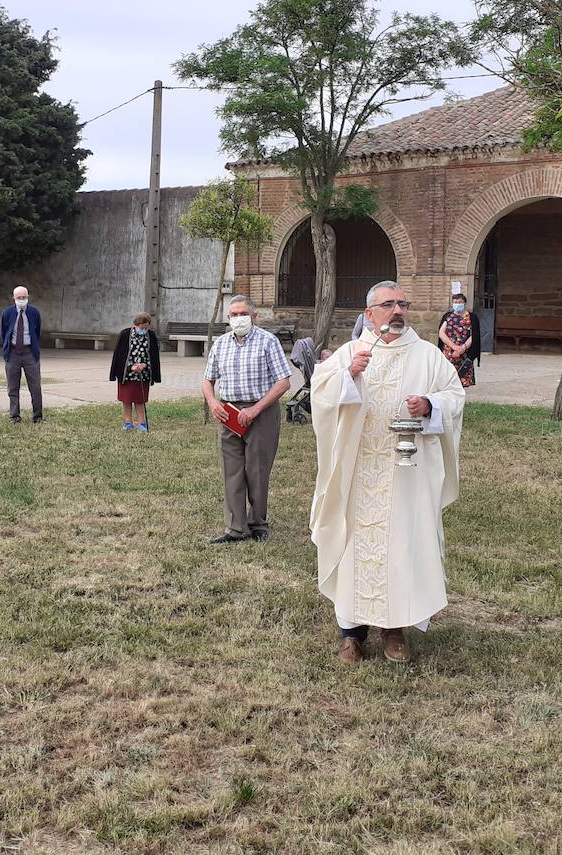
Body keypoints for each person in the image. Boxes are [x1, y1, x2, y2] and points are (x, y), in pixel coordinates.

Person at [310, 281, 467, 665]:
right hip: (358, 471)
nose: (397, 311)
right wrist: (348, 376)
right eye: (387, 305)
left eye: (402, 304)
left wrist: (429, 404)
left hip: (405, 474)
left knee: (401, 546)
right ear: (369, 314)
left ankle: (393, 630)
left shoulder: (428, 356)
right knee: (351, 548)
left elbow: (454, 395)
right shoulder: (350, 352)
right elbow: (320, 393)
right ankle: (351, 634)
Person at [201, 296, 291, 544]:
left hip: (261, 411)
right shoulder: (220, 344)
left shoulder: (267, 341)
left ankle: (258, 523)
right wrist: (213, 403)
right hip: (229, 412)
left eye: (242, 314)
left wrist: (255, 409)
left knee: (257, 469)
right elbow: (207, 380)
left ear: (253, 316)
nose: (237, 319)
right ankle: (235, 527)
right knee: (232, 469)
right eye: (233, 315)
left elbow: (283, 382)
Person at [109, 312, 162, 431]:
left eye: (146, 328)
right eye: (142, 327)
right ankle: (128, 422)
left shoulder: (151, 336)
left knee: (140, 399)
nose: (144, 330)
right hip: (127, 375)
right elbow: (119, 355)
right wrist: (130, 367)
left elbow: (154, 356)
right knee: (126, 399)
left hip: (143, 375)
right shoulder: (125, 334)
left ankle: (142, 423)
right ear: (136, 325)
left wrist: (145, 365)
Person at [1, 286, 44, 424]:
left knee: (35, 386)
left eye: (24, 297)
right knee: (13, 386)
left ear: (28, 297)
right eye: (19, 297)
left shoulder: (34, 312)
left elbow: (37, 331)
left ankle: (37, 416)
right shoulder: (7, 313)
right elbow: (3, 332)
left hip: (30, 353)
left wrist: (34, 348)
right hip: (13, 353)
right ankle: (15, 416)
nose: (21, 300)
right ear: (13, 298)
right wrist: (6, 349)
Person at [437, 291, 481, 388]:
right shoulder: (448, 316)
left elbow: (474, 335)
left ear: (464, 303)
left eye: (460, 302)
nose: (457, 304)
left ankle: (460, 400)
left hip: (465, 353)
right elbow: (441, 333)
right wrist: (455, 347)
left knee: (462, 378)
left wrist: (462, 348)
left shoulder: (472, 317)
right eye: (455, 302)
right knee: (447, 379)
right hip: (449, 352)